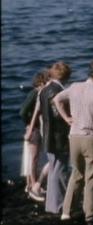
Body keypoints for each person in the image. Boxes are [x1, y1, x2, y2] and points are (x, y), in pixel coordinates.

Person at [54, 59, 93, 222]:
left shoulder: (74, 87)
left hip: (74, 136)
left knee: (76, 173)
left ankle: (66, 211)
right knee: (91, 177)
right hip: (92, 137)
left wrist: (67, 118)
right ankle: (91, 214)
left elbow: (57, 99)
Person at [30, 61, 71, 214]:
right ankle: (58, 205)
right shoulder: (58, 90)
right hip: (59, 136)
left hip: (47, 134)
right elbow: (57, 114)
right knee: (59, 171)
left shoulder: (43, 90)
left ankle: (51, 204)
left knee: (54, 169)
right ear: (66, 76)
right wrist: (69, 118)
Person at [20, 70, 50, 201]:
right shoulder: (34, 94)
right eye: (47, 82)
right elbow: (22, 112)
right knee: (33, 158)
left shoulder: (39, 94)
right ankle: (33, 186)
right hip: (34, 129)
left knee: (35, 157)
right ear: (41, 82)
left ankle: (32, 184)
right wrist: (29, 124)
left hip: (36, 128)